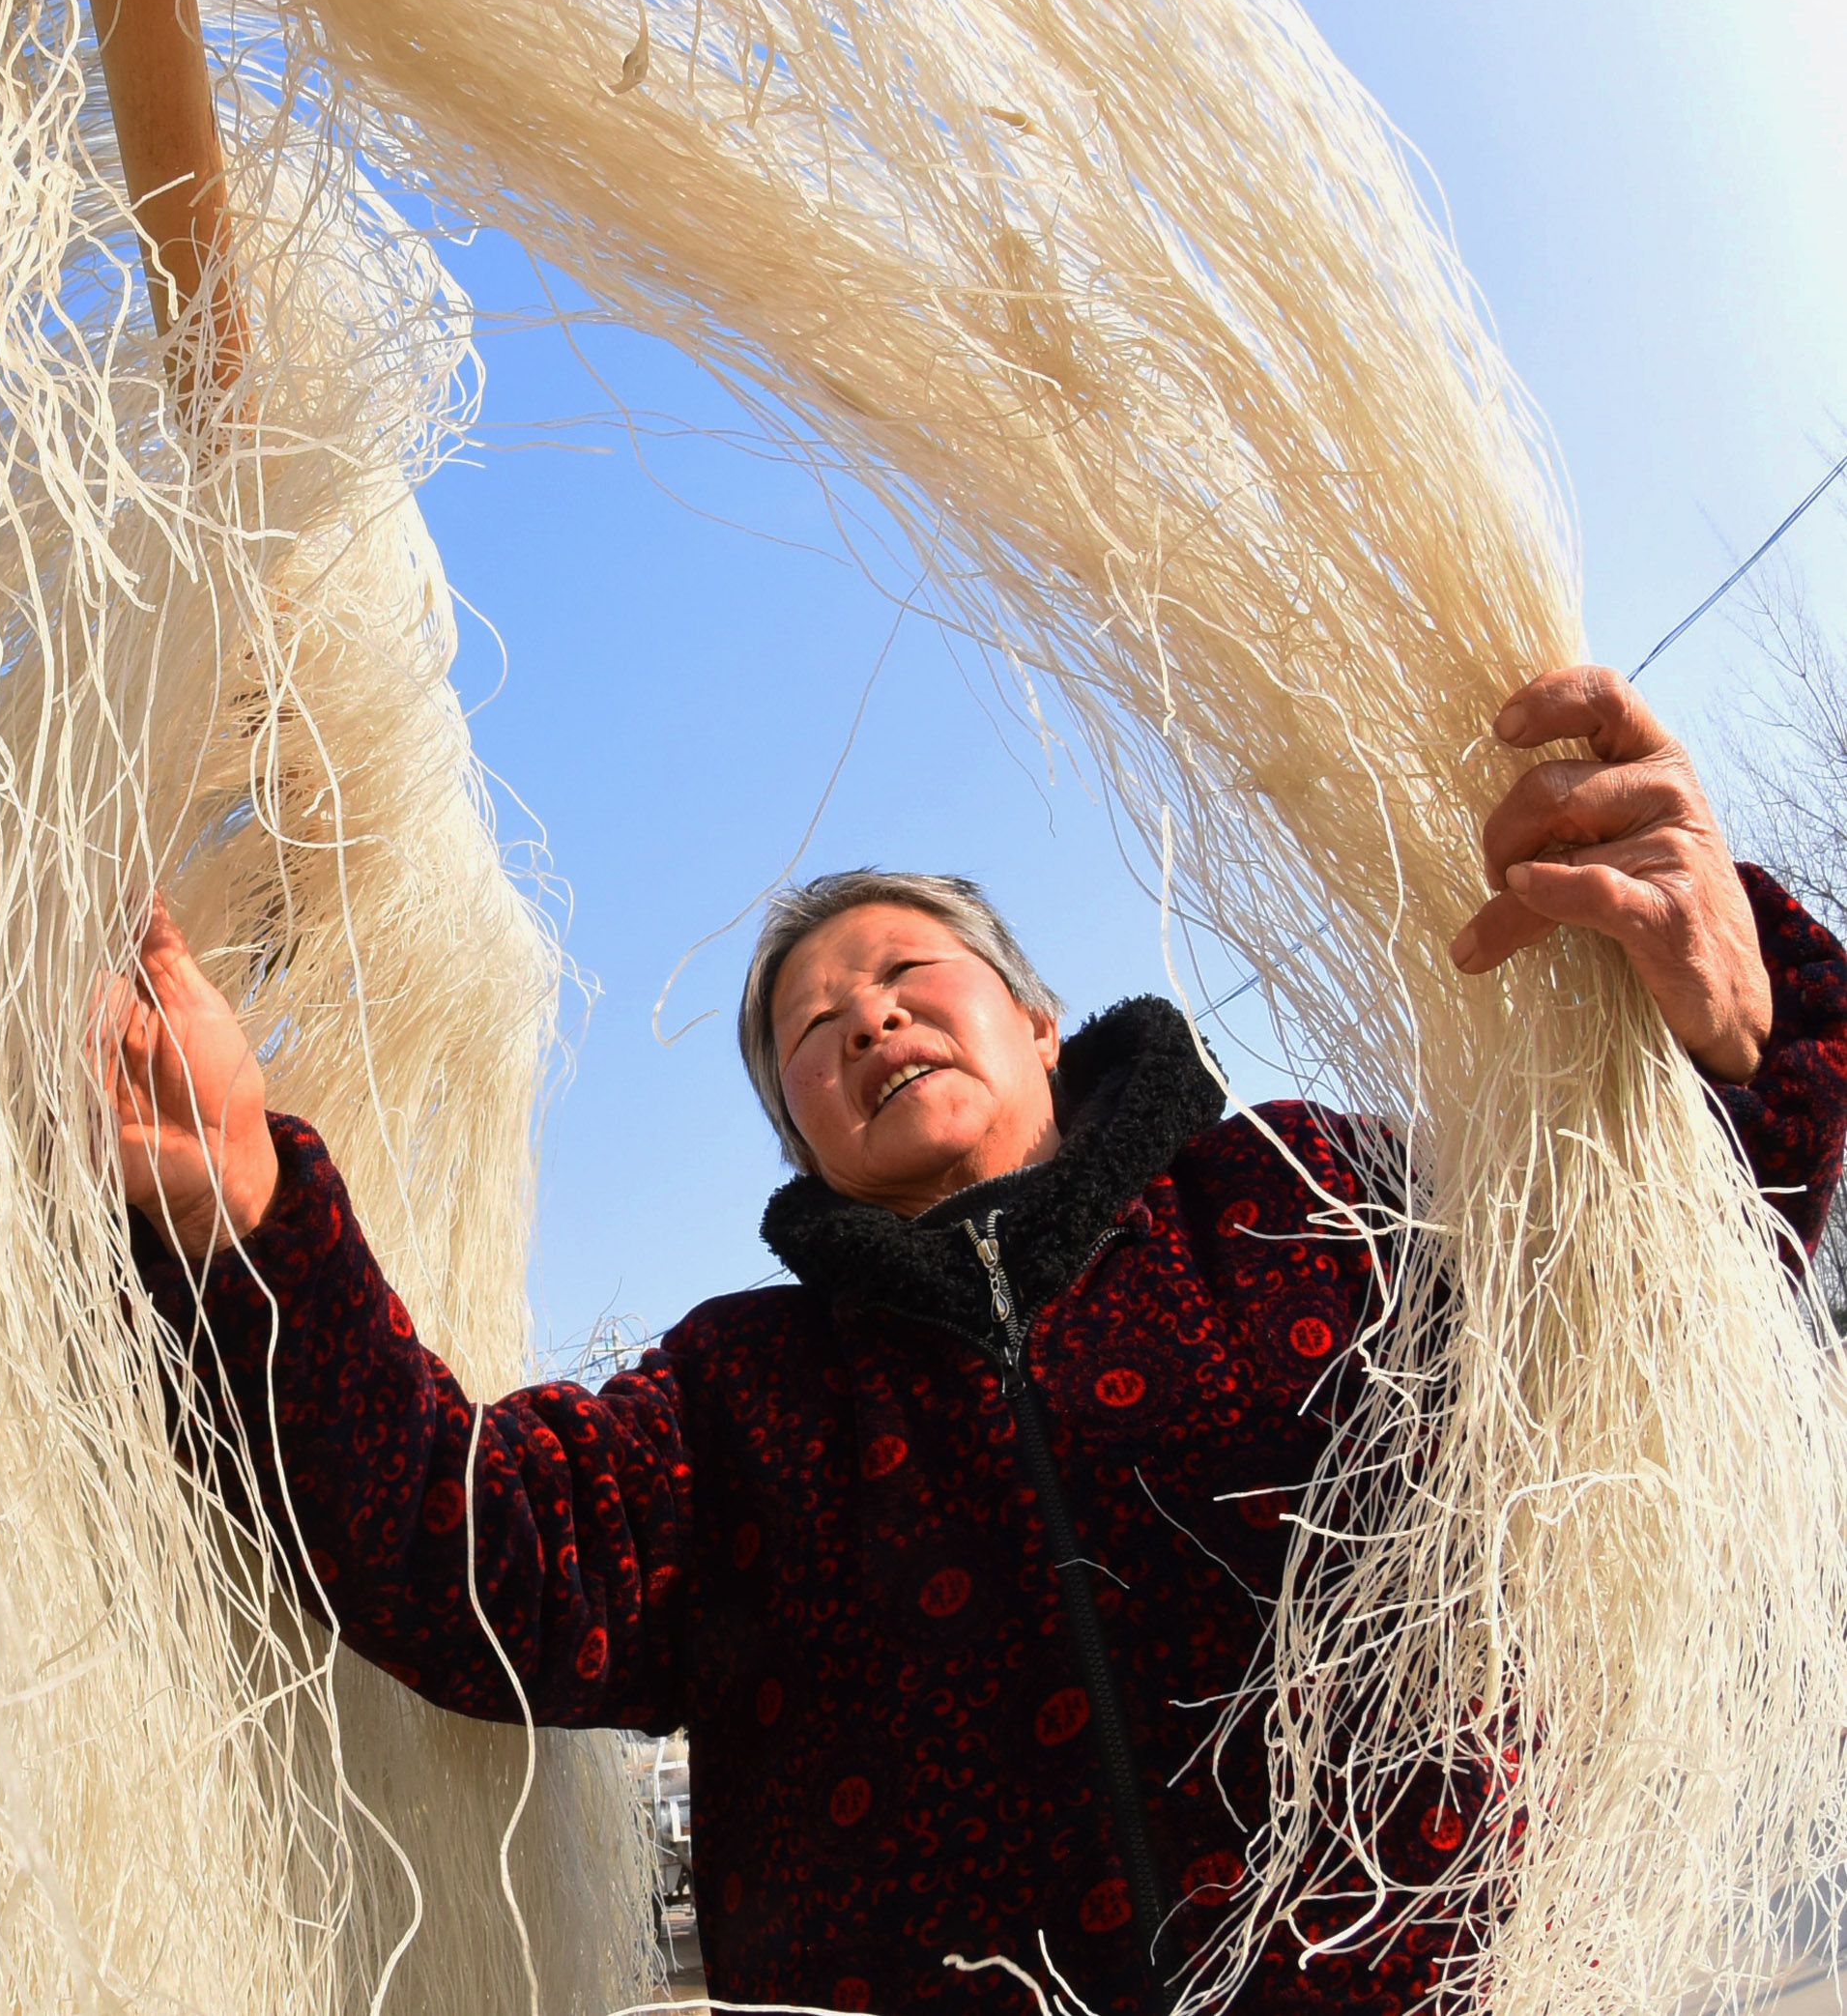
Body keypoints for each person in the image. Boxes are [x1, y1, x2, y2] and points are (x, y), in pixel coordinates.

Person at [97, 665, 1847, 2015]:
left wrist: (1737, 1037)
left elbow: (1634, 1333)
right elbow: (473, 1558)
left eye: (906, 970)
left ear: (1034, 1016)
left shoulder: (1303, 1196)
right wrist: (248, 1209)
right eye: (808, 1026)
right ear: (800, 1134)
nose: (864, 1016)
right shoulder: (737, 1396)